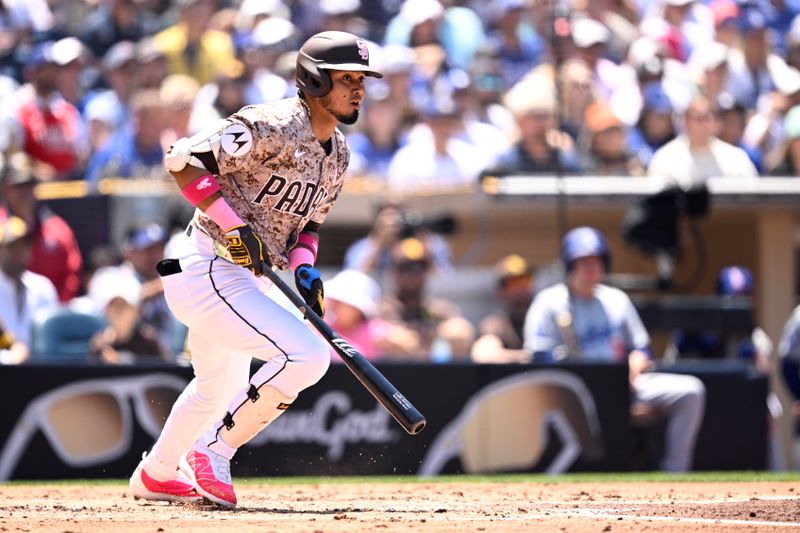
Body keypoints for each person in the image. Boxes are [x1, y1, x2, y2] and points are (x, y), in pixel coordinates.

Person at [128, 31, 383, 508]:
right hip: (207, 262)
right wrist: (233, 224)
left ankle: (158, 473)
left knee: (214, 390)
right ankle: (214, 449)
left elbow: (308, 226)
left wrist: (306, 270)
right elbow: (185, 161)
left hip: (249, 278)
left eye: (361, 80)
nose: (358, 89)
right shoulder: (271, 123)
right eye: (346, 78)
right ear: (313, 79)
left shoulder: (340, 153)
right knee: (308, 356)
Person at [523, 227, 706, 472]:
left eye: (596, 261)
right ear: (569, 265)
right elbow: (538, 355)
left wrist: (633, 367)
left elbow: (640, 347)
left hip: (623, 386)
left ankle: (675, 471)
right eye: (584, 262)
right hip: (574, 392)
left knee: (691, 391)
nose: (592, 269)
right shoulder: (549, 302)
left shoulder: (616, 299)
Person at [0, 152, 83, 303]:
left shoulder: (57, 229)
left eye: (29, 185)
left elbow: (71, 274)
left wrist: (56, 310)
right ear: (5, 190)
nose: (24, 193)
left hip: (46, 307)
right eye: (18, 187)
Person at [376, 236, 474, 362]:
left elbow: (461, 331)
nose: (414, 273)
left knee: (459, 330)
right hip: (393, 374)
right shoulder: (382, 307)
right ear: (393, 271)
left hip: (434, 370)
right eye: (406, 267)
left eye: (420, 267)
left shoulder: (438, 307)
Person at [647, 95, 758, 188]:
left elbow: (752, 197)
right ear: (685, 122)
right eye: (698, 118)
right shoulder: (666, 159)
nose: (703, 125)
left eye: (707, 118)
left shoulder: (736, 158)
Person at [0, 216, 58, 364]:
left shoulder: (43, 287)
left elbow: (53, 341)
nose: (18, 253)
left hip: (40, 375)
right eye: (12, 247)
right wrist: (12, 357)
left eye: (24, 246)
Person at [471, 254, 534, 364]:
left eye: (525, 280)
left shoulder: (543, 316)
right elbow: (483, 355)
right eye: (514, 283)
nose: (521, 288)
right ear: (500, 291)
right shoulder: (496, 324)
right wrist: (528, 357)